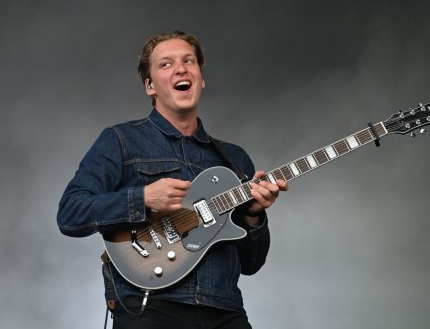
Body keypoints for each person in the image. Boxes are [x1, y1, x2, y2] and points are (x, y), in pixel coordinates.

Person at [57, 31, 288, 328]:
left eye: (189, 61)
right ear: (150, 86)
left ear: (201, 79)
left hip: (224, 309)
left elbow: (251, 264)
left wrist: (255, 217)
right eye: (166, 64)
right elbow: (70, 214)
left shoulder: (234, 159)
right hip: (151, 306)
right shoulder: (121, 141)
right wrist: (143, 198)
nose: (181, 69)